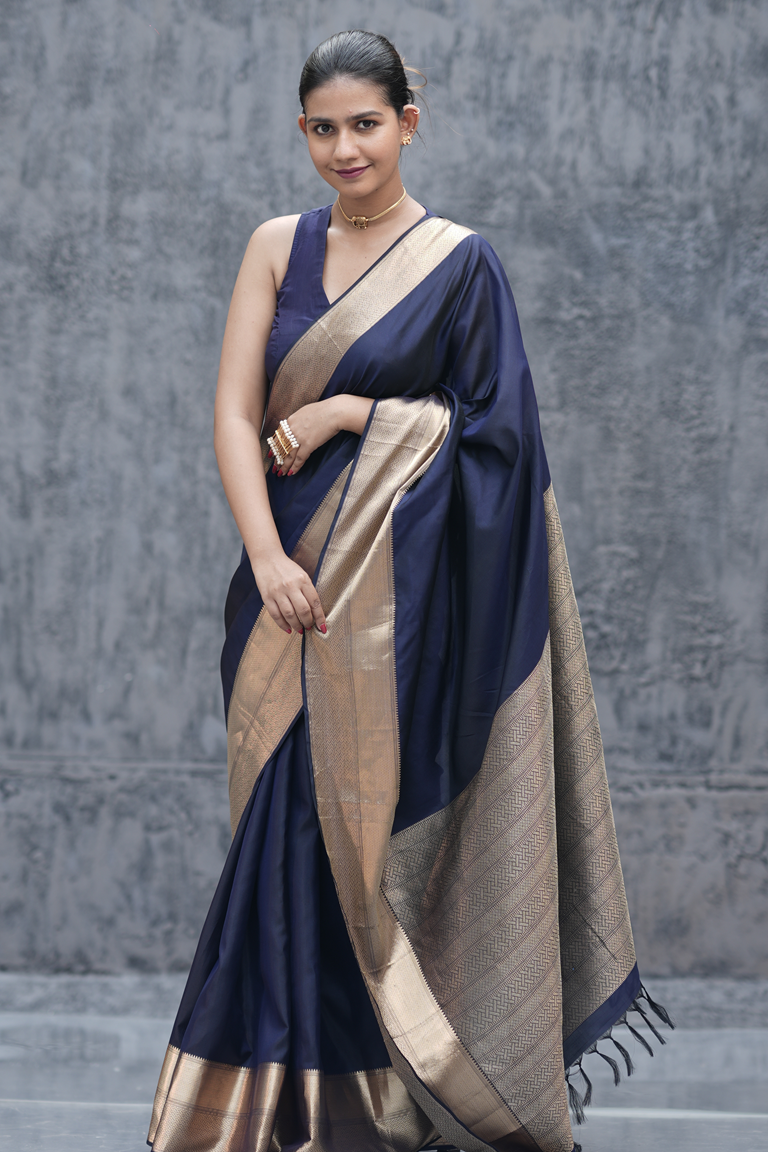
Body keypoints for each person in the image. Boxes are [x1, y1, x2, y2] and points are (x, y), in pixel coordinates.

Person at [147, 29, 671, 1152]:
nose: (345, 149)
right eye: (324, 129)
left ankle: (366, 1112)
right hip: (281, 597)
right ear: (304, 133)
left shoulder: (460, 263)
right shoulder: (274, 249)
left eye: (366, 125)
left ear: (409, 123)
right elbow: (235, 418)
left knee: (343, 847)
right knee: (281, 842)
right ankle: (271, 1112)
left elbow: (502, 449)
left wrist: (352, 417)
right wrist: (272, 558)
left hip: (393, 624)